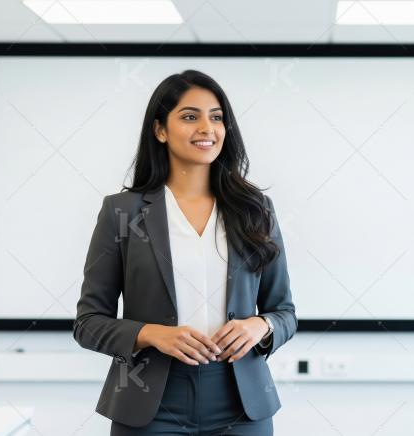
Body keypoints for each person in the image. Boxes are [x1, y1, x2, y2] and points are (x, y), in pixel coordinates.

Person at [73, 69, 297, 435]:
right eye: (190, 116)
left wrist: (261, 324)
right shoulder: (122, 212)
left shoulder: (256, 209)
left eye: (217, 117)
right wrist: (150, 333)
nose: (207, 128)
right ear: (160, 130)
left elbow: (285, 312)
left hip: (241, 403)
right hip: (150, 403)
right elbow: (88, 324)